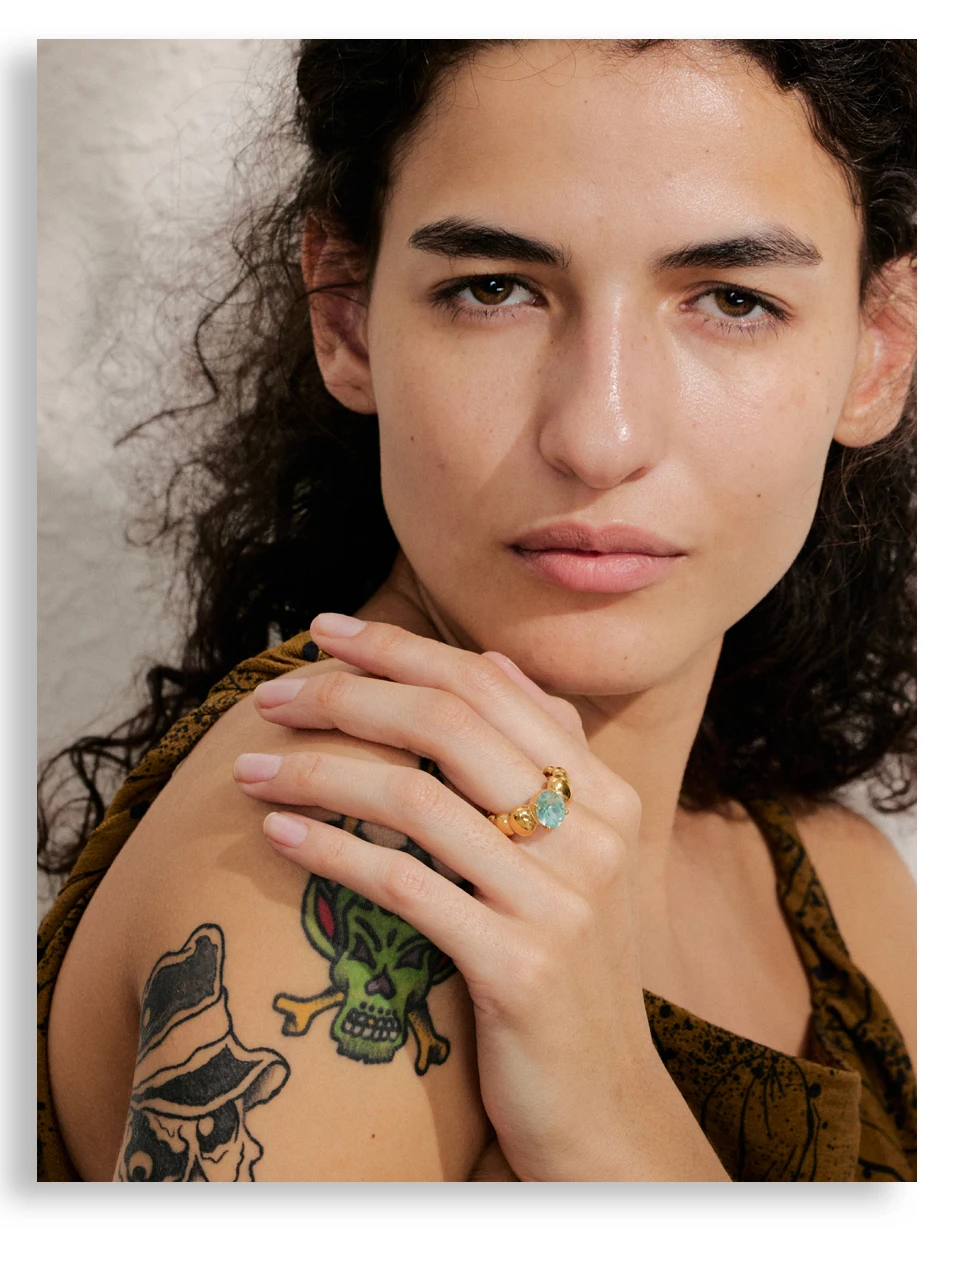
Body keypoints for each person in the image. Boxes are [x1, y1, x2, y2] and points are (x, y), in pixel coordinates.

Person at [37, 38, 917, 1182]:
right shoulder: (326, 851)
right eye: (493, 289)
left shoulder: (849, 894)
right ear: (347, 318)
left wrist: (615, 1112)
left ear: (878, 350)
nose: (599, 436)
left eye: (733, 301)